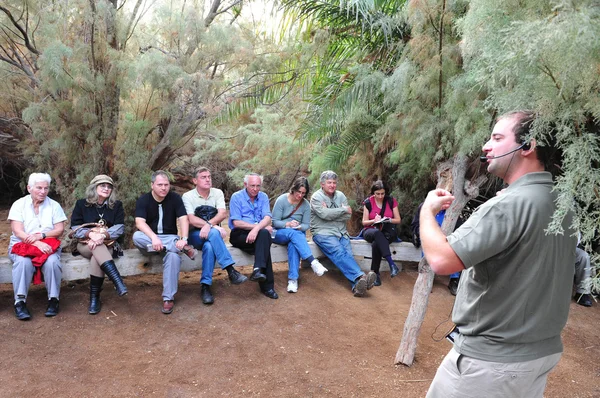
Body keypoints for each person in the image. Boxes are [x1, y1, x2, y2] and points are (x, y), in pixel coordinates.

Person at [422, 111, 577, 398]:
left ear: (528, 146)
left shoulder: (509, 204)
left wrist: (427, 212)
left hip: (491, 364)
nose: (485, 146)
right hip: (538, 357)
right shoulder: (561, 204)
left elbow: (441, 259)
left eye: (497, 138)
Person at [182, 166, 248, 305]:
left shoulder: (217, 193)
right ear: (195, 180)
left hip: (211, 235)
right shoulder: (187, 196)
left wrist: (208, 226)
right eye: (203, 177)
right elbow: (192, 220)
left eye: (209, 177)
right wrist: (214, 227)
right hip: (195, 235)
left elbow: (222, 213)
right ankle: (231, 270)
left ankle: (205, 286)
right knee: (212, 233)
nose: (207, 179)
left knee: (210, 247)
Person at [133, 170, 195, 314]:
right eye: (160, 184)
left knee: (173, 256)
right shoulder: (144, 200)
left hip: (168, 238)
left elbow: (183, 219)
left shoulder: (174, 198)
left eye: (166, 184)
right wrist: (154, 238)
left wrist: (184, 238)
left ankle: (168, 298)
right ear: (152, 185)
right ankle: (177, 246)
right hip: (150, 244)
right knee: (137, 236)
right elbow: (139, 222)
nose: (163, 188)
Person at [7, 173, 67, 320]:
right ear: (29, 188)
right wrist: (35, 242)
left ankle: (54, 300)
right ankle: (20, 302)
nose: (43, 191)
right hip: (21, 246)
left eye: (46, 188)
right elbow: (18, 231)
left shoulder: (54, 205)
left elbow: (59, 230)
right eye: (39, 188)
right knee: (23, 262)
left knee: (52, 262)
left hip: (47, 245)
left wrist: (42, 236)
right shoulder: (19, 205)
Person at [310, 170, 376, 297]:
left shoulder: (340, 195)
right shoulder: (316, 197)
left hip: (341, 233)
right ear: (322, 184)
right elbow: (323, 214)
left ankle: (357, 287)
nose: (332, 185)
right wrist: (342, 209)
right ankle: (362, 275)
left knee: (348, 255)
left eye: (334, 182)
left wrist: (332, 212)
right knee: (339, 252)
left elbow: (347, 216)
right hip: (323, 233)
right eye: (329, 182)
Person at [70, 175, 128, 315]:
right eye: (102, 185)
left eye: (109, 187)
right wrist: (91, 235)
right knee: (97, 248)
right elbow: (75, 227)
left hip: (108, 244)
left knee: (98, 253)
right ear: (94, 187)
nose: (106, 189)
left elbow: (120, 228)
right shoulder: (81, 204)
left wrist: (102, 236)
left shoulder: (116, 205)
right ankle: (117, 281)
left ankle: (94, 298)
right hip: (85, 245)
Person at [272, 177, 328, 293]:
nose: (300, 195)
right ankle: (313, 262)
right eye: (299, 192)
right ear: (294, 189)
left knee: (294, 244)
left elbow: (306, 224)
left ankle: (293, 280)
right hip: (279, 233)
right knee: (294, 234)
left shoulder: (305, 205)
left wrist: (299, 226)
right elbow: (274, 222)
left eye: (303, 193)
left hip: (296, 235)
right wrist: (288, 224)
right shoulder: (282, 200)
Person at [229, 173, 278, 299]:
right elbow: (236, 222)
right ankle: (267, 286)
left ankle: (257, 270)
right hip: (239, 233)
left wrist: (256, 229)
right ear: (245, 184)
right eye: (252, 186)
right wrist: (256, 228)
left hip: (258, 234)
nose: (255, 189)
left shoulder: (263, 197)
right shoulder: (236, 197)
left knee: (264, 237)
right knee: (264, 237)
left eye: (258, 186)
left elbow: (267, 217)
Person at [361, 180, 401, 286]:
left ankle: (375, 275)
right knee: (377, 235)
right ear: (373, 193)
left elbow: (398, 219)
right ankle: (391, 264)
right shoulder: (368, 202)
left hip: (387, 230)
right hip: (370, 230)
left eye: (382, 193)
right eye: (377, 194)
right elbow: (364, 222)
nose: (380, 196)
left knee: (376, 244)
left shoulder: (391, 201)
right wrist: (374, 220)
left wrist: (388, 219)